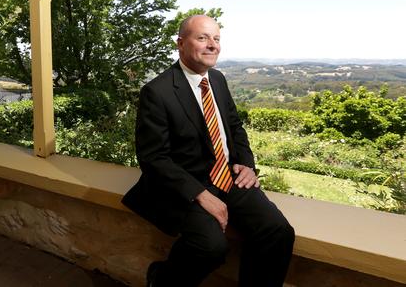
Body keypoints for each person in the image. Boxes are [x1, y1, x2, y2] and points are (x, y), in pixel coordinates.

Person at [122, 15, 295, 287]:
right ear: (180, 44)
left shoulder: (217, 79)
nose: (212, 45)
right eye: (202, 38)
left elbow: (234, 128)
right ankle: (162, 278)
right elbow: (153, 158)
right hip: (189, 185)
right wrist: (199, 194)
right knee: (210, 246)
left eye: (216, 39)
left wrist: (246, 164)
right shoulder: (157, 92)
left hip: (229, 176)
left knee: (278, 231)